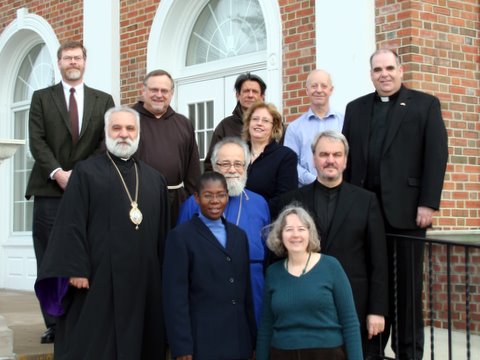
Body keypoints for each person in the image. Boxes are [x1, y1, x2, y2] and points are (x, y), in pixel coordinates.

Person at [34, 106, 170, 360]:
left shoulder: (155, 179)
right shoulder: (86, 172)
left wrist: (162, 276)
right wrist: (75, 267)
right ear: (106, 133)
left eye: (130, 128)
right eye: (116, 128)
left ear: (139, 133)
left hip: (144, 281)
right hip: (97, 278)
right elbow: (69, 223)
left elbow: (162, 234)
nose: (123, 134)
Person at [342, 48, 448, 360]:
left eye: (389, 68)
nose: (384, 74)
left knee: (408, 289)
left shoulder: (425, 105)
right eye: (377, 70)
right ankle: (372, 350)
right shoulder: (356, 108)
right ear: (370, 74)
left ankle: (409, 353)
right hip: (366, 213)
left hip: (407, 213)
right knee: (373, 285)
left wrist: (428, 203)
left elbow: (436, 155)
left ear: (400, 70)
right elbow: (348, 162)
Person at [25, 40, 115, 344]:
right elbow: (36, 141)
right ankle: (53, 321)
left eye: (77, 58)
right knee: (49, 254)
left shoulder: (103, 100)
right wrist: (58, 173)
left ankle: (82, 315)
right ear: (59, 62)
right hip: (49, 188)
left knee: (86, 252)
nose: (72, 62)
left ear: (85, 62)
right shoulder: (41, 98)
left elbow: (107, 141)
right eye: (67, 58)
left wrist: (81, 173)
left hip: (88, 188)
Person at [276, 130, 388, 356]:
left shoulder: (366, 201)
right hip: (305, 305)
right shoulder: (292, 201)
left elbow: (379, 259)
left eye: (337, 155)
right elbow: (280, 257)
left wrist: (377, 310)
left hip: (354, 303)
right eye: (324, 154)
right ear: (313, 159)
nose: (330, 160)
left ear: (345, 160)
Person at [178, 137, 270, 326]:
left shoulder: (260, 204)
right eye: (225, 164)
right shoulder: (192, 205)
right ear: (213, 166)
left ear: (247, 166)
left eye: (238, 164)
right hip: (207, 297)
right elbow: (180, 262)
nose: (232, 169)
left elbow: (269, 254)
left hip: (253, 295)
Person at [164, 172, 256, 360]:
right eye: (208, 195)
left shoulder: (239, 235)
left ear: (227, 197)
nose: (215, 201)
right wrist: (182, 347)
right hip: (202, 343)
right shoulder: (181, 237)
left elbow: (246, 294)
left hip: (238, 341)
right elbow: (175, 298)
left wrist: (252, 340)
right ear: (196, 198)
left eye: (220, 194)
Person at [256, 205, 363, 360]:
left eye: (301, 229)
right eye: (289, 229)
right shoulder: (273, 272)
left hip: (327, 354)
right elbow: (266, 326)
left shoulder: (331, 266)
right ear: (280, 235)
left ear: (310, 233)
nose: (295, 235)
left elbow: (350, 322)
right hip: (282, 354)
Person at [133, 69, 201, 227]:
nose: (159, 94)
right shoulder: (128, 120)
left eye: (164, 91)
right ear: (143, 91)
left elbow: (193, 169)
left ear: (171, 94)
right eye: (154, 90)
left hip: (176, 202)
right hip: (138, 199)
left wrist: (195, 200)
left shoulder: (183, 123)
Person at [284, 69, 344, 187]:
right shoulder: (294, 128)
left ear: (331, 90)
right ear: (307, 90)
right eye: (314, 86)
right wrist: (315, 181)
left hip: (341, 190)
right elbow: (290, 163)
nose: (319, 90)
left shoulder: (345, 122)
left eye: (324, 86)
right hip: (307, 192)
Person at [203, 72, 266, 170]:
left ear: (262, 96)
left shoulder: (273, 126)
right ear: (238, 95)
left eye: (254, 91)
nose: (250, 95)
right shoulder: (225, 127)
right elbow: (211, 164)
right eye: (246, 91)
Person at [242, 101, 297, 212]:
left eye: (265, 121)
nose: (259, 123)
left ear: (274, 127)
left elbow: (285, 199)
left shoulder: (285, 156)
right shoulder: (237, 153)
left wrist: (254, 211)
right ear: (248, 124)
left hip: (267, 222)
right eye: (255, 119)